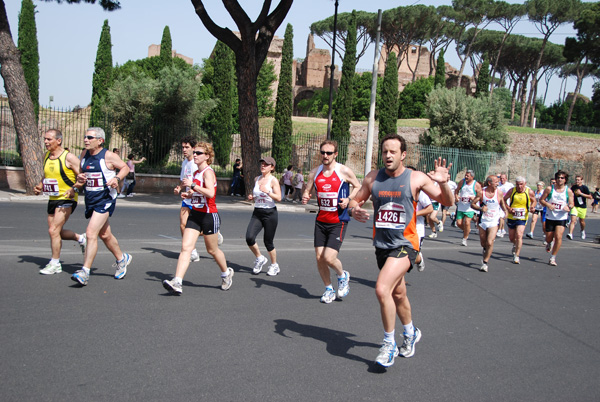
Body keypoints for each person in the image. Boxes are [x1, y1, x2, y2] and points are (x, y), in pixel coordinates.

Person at [348, 134, 454, 367]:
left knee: (381, 288)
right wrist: (354, 210)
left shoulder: (416, 178)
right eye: (385, 151)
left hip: (406, 245)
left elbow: (447, 202)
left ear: (403, 155)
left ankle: (389, 344)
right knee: (398, 294)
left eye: (393, 152)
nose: (387, 155)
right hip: (382, 246)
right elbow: (354, 201)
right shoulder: (373, 178)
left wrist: (444, 182)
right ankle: (411, 332)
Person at [163, 142, 234, 294]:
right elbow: (199, 193)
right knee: (186, 248)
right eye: (194, 152)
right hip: (195, 214)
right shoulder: (195, 174)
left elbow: (210, 193)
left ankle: (226, 273)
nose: (194, 155)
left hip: (209, 215)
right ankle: (177, 281)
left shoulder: (208, 172)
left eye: (199, 153)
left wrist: (193, 187)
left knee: (212, 250)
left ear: (207, 157)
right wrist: (189, 194)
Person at [71, 127, 132, 286]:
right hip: (91, 198)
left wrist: (117, 179)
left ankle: (85, 272)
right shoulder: (84, 154)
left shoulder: (109, 156)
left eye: (90, 137)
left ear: (100, 141)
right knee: (105, 235)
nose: (86, 140)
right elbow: (82, 173)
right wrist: (80, 180)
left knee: (91, 232)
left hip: (105, 198)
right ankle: (122, 258)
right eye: (85, 137)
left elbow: (125, 167)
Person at [302, 140, 360, 304]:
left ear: (335, 154)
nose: (325, 156)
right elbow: (308, 190)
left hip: (338, 220)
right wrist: (306, 196)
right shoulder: (315, 172)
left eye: (329, 153)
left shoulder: (343, 171)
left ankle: (343, 275)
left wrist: (348, 199)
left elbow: (357, 186)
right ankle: (328, 289)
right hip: (321, 220)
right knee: (319, 257)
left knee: (328, 257)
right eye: (322, 152)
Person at [34, 129, 87, 275]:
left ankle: (55, 263)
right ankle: (81, 238)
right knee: (55, 232)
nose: (46, 142)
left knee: (53, 230)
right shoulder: (46, 157)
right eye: (45, 139)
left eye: (49, 139)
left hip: (67, 198)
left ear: (59, 141)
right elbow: (47, 176)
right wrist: (40, 186)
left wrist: (73, 189)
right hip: (53, 198)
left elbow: (82, 178)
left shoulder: (69, 158)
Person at [246, 157, 282, 276]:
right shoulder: (257, 179)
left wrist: (268, 192)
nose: (263, 166)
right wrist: (252, 197)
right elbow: (257, 194)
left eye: (266, 165)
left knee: (268, 242)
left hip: (270, 213)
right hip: (257, 212)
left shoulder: (273, 181)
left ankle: (274, 265)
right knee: (249, 237)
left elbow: (279, 198)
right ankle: (260, 258)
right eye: (262, 163)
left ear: (272, 167)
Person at [471, 175, 507, 272]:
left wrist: (505, 212)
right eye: (496, 182)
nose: (497, 183)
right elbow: (472, 204)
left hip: (494, 221)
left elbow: (502, 203)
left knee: (490, 242)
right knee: (483, 243)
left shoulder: (499, 193)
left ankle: (485, 263)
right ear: (490, 183)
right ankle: (485, 249)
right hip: (483, 220)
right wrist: (480, 208)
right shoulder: (481, 192)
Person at [539, 170, 574, 266]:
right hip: (550, 217)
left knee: (558, 236)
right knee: (549, 238)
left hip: (561, 217)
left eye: (562, 178)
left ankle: (552, 257)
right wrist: (547, 204)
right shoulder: (550, 189)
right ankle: (549, 243)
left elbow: (572, 203)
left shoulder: (568, 191)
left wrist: (569, 207)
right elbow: (541, 200)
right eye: (558, 177)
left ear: (565, 179)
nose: (560, 179)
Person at [504, 176, 536, 264]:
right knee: (511, 237)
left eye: (521, 184)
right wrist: (508, 208)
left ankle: (517, 256)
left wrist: (532, 207)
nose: (519, 186)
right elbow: (503, 200)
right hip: (512, 216)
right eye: (517, 184)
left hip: (522, 217)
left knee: (519, 235)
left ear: (525, 184)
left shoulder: (529, 192)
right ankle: (515, 244)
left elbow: (534, 200)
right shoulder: (512, 190)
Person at [455, 170, 481, 246]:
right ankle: (467, 231)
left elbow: (480, 196)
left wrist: (474, 198)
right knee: (459, 223)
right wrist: (456, 197)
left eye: (467, 176)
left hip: (470, 207)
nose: (466, 177)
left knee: (467, 222)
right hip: (461, 205)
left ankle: (464, 238)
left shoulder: (476, 185)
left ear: (472, 177)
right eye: (465, 175)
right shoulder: (462, 182)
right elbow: (456, 190)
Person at [567, 175, 592, 240]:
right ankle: (570, 233)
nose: (577, 181)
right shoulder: (573, 187)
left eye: (578, 180)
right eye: (576, 179)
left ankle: (582, 230)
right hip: (575, 206)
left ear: (581, 180)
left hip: (582, 207)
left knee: (582, 222)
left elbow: (590, 197)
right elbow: (570, 194)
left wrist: (581, 194)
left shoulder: (584, 188)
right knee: (573, 220)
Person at [497, 173, 514, 237]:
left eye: (503, 178)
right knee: (501, 217)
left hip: (506, 203)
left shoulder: (509, 185)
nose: (502, 180)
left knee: (502, 217)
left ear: (506, 179)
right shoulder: (498, 185)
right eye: (501, 178)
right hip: (499, 203)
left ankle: (500, 230)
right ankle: (502, 229)